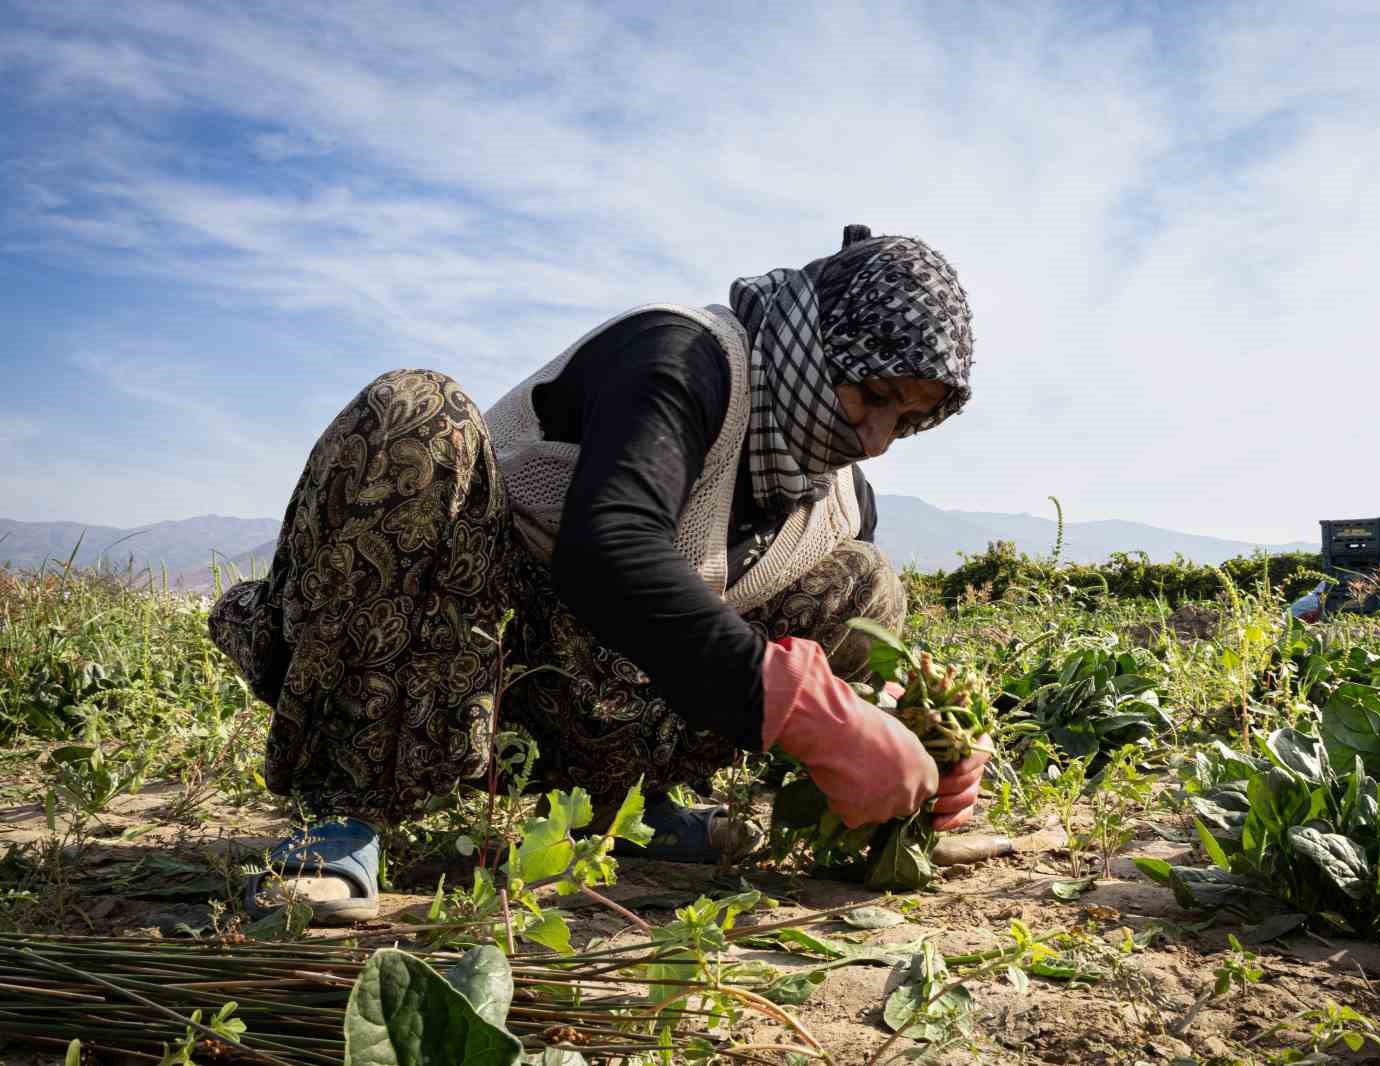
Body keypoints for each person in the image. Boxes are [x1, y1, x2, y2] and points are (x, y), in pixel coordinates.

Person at [209, 224, 989, 923]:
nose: (879, 438)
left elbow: (820, 661)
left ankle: (618, 808)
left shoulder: (842, 498)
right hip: (458, 649)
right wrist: (803, 709)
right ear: (819, 344)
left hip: (588, 704)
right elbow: (608, 549)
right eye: (875, 395)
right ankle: (341, 819)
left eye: (911, 419)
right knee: (418, 413)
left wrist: (918, 734)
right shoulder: (685, 360)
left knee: (865, 587)